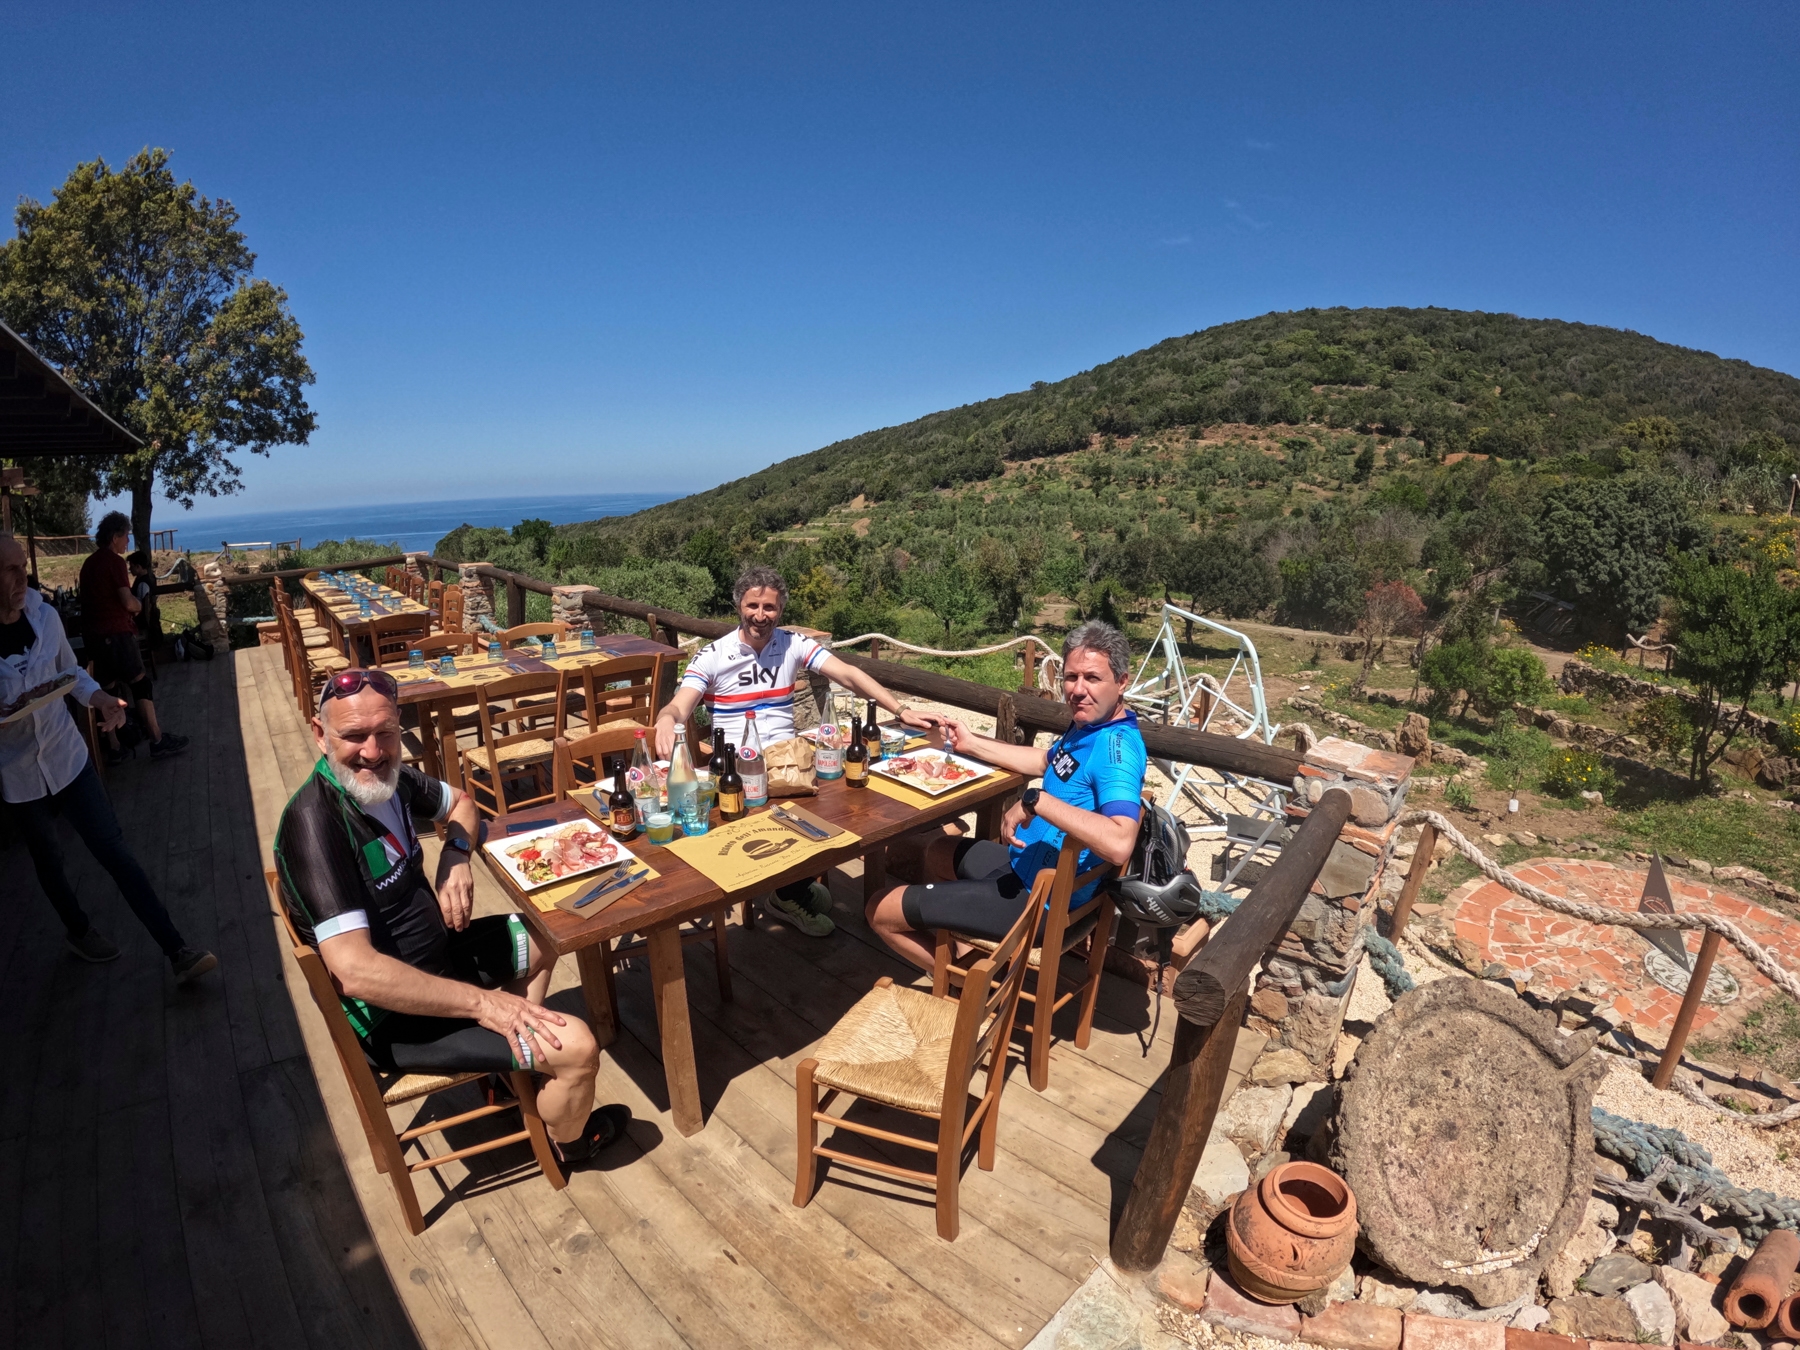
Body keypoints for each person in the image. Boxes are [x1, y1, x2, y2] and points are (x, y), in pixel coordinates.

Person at [275, 667, 629, 1166]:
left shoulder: (390, 780)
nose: (373, 752)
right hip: (397, 1014)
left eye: (386, 733)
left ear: (399, 726)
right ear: (319, 735)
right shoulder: (315, 825)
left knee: (552, 931)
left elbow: (463, 804)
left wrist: (457, 855)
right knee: (578, 1048)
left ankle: (511, 1072)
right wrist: (486, 1006)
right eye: (353, 736)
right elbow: (354, 972)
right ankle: (569, 1143)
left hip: (442, 956)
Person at [653, 564, 938, 936]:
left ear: (781, 609)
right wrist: (664, 718)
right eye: (752, 605)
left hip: (793, 762)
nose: (760, 615)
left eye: (769, 607)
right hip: (740, 772)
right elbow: (681, 705)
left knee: (844, 811)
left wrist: (901, 710)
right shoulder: (713, 655)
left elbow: (848, 674)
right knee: (788, 825)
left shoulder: (793, 644)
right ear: (739, 604)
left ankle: (791, 890)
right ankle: (787, 895)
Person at [867, 620, 1146, 971]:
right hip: (1026, 864)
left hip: (1042, 901)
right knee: (938, 851)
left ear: (1122, 682)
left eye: (1092, 678)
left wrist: (1036, 801)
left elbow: (1120, 840)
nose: (1077, 690)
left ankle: (966, 986)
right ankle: (960, 950)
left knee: (879, 909)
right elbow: (1044, 761)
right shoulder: (1089, 726)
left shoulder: (1115, 749)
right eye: (1071, 677)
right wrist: (972, 744)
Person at [0, 532, 218, 979]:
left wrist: (99, 698)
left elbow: (69, 672)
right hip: (19, 773)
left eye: (22, 566)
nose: (22, 577)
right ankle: (78, 931)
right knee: (50, 862)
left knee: (114, 851)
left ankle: (177, 950)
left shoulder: (44, 617)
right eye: (9, 570)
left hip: (67, 757)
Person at [79, 513, 186, 761]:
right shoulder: (113, 562)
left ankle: (115, 747)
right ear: (114, 537)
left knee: (108, 691)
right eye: (125, 536)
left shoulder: (89, 564)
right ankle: (157, 739)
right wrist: (139, 605)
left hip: (93, 639)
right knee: (140, 684)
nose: (127, 541)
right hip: (116, 635)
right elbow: (128, 602)